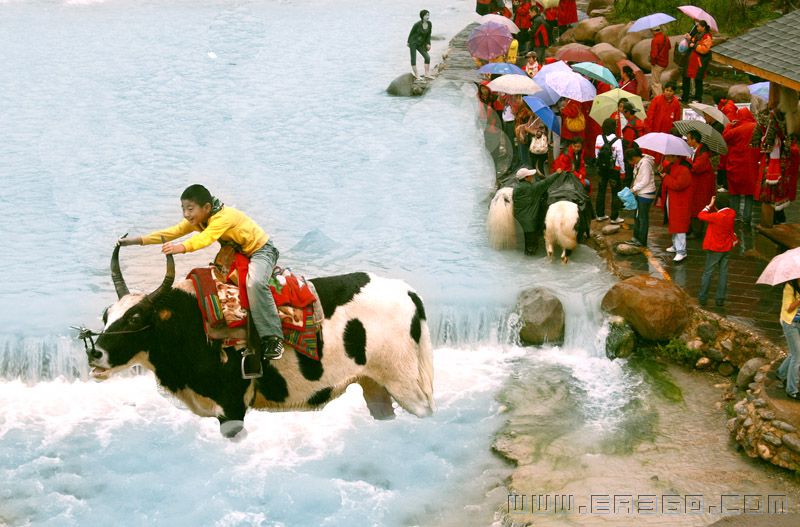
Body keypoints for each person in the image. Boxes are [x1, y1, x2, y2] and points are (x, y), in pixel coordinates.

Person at [117, 184, 284, 379]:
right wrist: (136, 241)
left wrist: (180, 248)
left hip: (261, 251)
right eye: (183, 209)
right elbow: (170, 232)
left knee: (254, 284)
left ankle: (273, 338)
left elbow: (206, 239)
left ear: (205, 207)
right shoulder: (200, 219)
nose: (186, 214)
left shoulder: (223, 217)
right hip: (236, 252)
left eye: (190, 208)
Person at [721, 107, 759, 224]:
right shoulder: (756, 127)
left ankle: (734, 216)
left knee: (735, 192)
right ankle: (747, 219)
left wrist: (729, 125)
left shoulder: (737, 129)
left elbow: (725, 137)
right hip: (752, 166)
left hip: (736, 165)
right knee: (749, 193)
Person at [697, 194, 736, 307]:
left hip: (715, 248)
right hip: (726, 247)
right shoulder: (732, 213)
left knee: (708, 273)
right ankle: (720, 299)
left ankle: (703, 297)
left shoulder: (716, 216)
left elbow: (701, 215)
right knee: (723, 273)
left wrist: (709, 205)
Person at [661, 154, 692, 262]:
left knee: (679, 225)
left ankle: (681, 251)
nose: (667, 158)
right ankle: (676, 246)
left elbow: (678, 185)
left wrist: (666, 177)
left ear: (675, 156)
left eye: (669, 156)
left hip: (680, 200)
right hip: (674, 198)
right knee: (674, 222)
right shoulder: (673, 166)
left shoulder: (684, 169)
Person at [594, 118, 626, 223]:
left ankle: (600, 214)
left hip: (602, 169)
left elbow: (596, 153)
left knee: (601, 191)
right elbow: (620, 157)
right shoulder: (617, 140)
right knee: (615, 192)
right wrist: (622, 171)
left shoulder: (599, 137)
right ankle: (614, 217)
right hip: (614, 170)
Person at [686, 129, 716, 238]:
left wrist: (687, 160)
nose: (687, 141)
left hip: (702, 186)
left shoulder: (703, 154)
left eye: (689, 139)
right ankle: (693, 230)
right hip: (698, 184)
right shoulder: (698, 151)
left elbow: (696, 168)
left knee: (698, 207)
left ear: (694, 140)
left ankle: (696, 232)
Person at [626, 148, 657, 246]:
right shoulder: (639, 163)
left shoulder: (645, 164)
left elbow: (645, 181)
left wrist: (633, 189)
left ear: (634, 158)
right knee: (637, 216)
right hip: (640, 193)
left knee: (642, 218)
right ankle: (636, 238)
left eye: (630, 160)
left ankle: (641, 240)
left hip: (646, 194)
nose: (630, 163)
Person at [777, 279, 800, 399]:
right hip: (790, 324)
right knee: (798, 356)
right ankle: (791, 390)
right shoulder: (789, 287)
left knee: (794, 352)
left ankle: (781, 373)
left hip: (799, 323)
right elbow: (789, 309)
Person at [682, 20, 713, 103]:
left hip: (699, 62)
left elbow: (705, 49)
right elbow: (693, 40)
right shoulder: (697, 34)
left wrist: (694, 45)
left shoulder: (707, 37)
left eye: (698, 26)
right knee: (686, 77)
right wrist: (689, 38)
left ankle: (698, 98)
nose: (697, 27)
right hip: (691, 61)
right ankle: (685, 97)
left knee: (698, 80)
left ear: (703, 27)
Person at [512, 167, 541, 255]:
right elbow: (545, 183)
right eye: (530, 176)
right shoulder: (530, 188)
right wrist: (557, 174)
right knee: (531, 248)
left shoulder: (516, 188)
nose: (532, 177)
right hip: (530, 226)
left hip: (519, 223)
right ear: (526, 178)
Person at [620, 103, 645, 186]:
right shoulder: (639, 121)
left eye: (623, 112)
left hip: (631, 157)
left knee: (628, 179)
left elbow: (627, 144)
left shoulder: (630, 127)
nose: (623, 114)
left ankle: (625, 197)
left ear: (627, 112)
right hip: (640, 153)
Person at [407, 10, 433, 80]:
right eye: (426, 15)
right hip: (413, 42)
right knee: (413, 59)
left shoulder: (429, 24)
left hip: (421, 43)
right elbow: (411, 33)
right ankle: (417, 75)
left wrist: (428, 43)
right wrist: (408, 42)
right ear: (422, 16)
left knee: (427, 57)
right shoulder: (417, 24)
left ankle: (427, 74)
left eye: (428, 15)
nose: (428, 16)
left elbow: (428, 35)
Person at [649, 26, 671, 96]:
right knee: (658, 81)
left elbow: (654, 55)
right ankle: (660, 96)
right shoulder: (666, 38)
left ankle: (658, 99)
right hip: (665, 62)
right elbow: (669, 47)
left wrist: (652, 63)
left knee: (655, 83)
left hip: (658, 64)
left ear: (653, 31)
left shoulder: (655, 40)